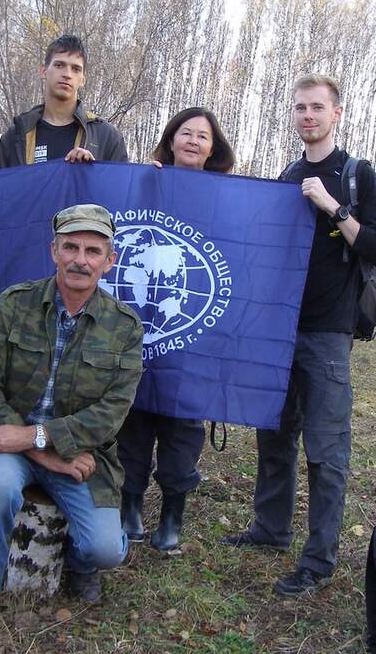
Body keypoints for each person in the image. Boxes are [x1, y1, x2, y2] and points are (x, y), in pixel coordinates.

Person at [221, 75, 376, 596]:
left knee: (326, 448)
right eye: (300, 108)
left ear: (336, 114)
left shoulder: (356, 174)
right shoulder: (290, 173)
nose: (307, 116)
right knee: (274, 435)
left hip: (327, 333)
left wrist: (334, 208)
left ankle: (319, 560)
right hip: (279, 329)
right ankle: (271, 529)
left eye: (317, 108)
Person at [0, 204, 144, 635]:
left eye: (93, 250)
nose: (80, 259)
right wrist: (40, 450)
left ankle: (79, 559)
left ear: (110, 262)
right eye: (70, 247)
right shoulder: (14, 305)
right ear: (53, 251)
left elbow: (111, 415)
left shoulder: (125, 327)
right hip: (7, 439)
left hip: (79, 452)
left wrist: (40, 441)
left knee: (107, 550)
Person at [117, 107, 235, 553]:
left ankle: (172, 510)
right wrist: (131, 180)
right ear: (171, 140)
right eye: (186, 133)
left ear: (213, 148)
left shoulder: (226, 194)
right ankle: (130, 503)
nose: (193, 141)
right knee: (135, 408)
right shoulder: (145, 181)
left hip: (193, 325)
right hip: (140, 323)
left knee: (184, 417)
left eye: (203, 136)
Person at [0, 34, 129, 167]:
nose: (67, 74)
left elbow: (121, 187)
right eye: (59, 65)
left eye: (75, 69)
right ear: (43, 71)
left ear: (83, 79)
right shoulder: (15, 136)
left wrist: (93, 173)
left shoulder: (107, 137)